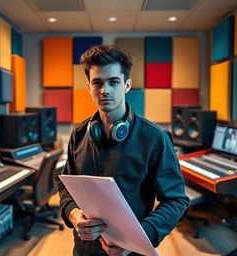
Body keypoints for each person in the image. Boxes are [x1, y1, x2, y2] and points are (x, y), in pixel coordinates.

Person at [57, 44, 190, 256]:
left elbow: (176, 200)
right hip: (84, 250)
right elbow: (65, 184)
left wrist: (137, 238)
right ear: (89, 87)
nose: (105, 90)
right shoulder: (79, 134)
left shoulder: (155, 138)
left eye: (113, 82)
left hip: (132, 251)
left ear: (127, 85)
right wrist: (73, 214)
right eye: (97, 83)